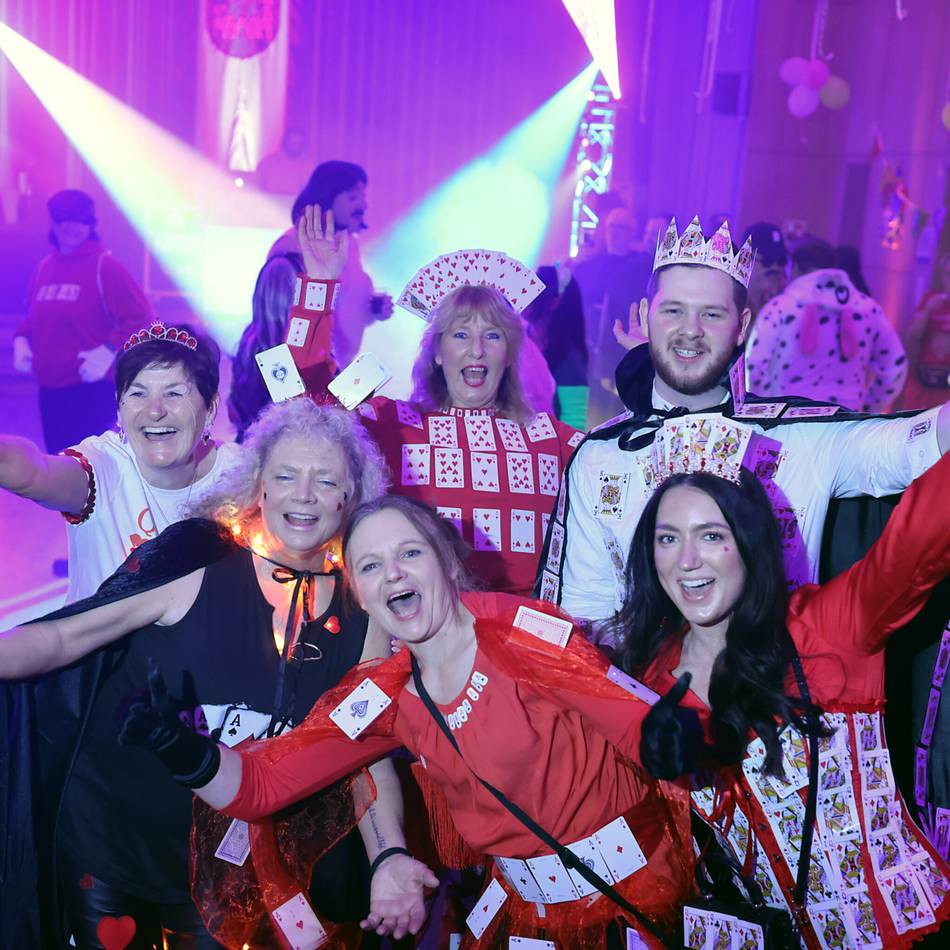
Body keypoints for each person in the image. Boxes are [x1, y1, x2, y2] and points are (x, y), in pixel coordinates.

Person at [121, 494, 694, 947]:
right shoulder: (384, 695)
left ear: (444, 561)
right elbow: (263, 784)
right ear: (362, 597)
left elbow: (628, 720)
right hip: (526, 919)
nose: (393, 574)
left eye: (409, 553)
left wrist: (663, 741)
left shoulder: (521, 629)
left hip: (633, 899)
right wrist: (184, 752)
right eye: (371, 566)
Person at [0, 399, 432, 948]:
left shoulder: (362, 615)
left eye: (326, 481)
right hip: (113, 838)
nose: (304, 494)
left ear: (352, 498)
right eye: (286, 476)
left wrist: (389, 854)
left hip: (221, 868)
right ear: (261, 487)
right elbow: (64, 635)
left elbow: (362, 756)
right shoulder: (196, 565)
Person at [617, 423, 950, 948]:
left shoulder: (828, 627)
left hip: (900, 933)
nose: (686, 561)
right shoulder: (645, 681)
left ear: (748, 545)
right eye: (667, 538)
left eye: (712, 535)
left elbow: (922, 533)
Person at [543, 215, 949, 638]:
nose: (690, 330)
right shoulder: (599, 456)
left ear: (743, 327)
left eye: (712, 315)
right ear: (647, 317)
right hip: (637, 697)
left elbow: (916, 446)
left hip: (770, 693)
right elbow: (583, 620)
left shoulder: (802, 439)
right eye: (674, 310)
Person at [293, 205, 583, 596]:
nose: (476, 350)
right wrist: (320, 284)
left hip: (524, 643)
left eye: (493, 336)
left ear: (511, 353)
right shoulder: (395, 425)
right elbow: (307, 394)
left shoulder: (554, 440)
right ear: (437, 352)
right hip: (416, 636)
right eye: (461, 335)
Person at [0, 322, 236, 603]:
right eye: (138, 393)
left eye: (174, 393)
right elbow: (33, 474)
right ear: (119, 409)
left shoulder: (238, 475)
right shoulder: (104, 466)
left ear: (210, 407)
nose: (155, 410)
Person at [12, 189, 154, 454]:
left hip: (89, 390)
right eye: (64, 219)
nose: (72, 227)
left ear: (91, 225)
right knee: (57, 463)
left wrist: (108, 350)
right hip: (50, 388)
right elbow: (34, 317)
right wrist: (21, 338)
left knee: (88, 470)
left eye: (80, 220)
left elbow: (142, 317)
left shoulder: (105, 266)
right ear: (53, 223)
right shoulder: (45, 267)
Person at [256, 160, 392, 374]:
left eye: (364, 196)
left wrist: (372, 311)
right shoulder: (290, 248)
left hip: (337, 371)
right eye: (353, 197)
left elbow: (341, 307)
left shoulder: (349, 243)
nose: (363, 205)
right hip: (301, 377)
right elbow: (278, 328)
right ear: (327, 200)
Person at [746, 237, 908, 411]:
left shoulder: (780, 308)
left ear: (795, 268)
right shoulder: (868, 309)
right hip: (846, 423)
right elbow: (895, 367)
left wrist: (766, 410)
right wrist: (869, 405)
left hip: (788, 424)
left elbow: (754, 367)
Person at [572, 206, 654, 426]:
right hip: (584, 344)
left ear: (632, 232)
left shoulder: (637, 267)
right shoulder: (589, 264)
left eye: (621, 227)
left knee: (610, 411)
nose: (614, 232)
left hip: (616, 346)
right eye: (611, 226)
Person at [523, 263, 589, 427]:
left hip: (547, 447)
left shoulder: (569, 358)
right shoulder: (521, 339)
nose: (523, 297)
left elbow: (574, 420)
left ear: (553, 303)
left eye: (532, 292)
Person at [900, 249, 950, 411]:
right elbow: (912, 336)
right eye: (947, 274)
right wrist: (927, 311)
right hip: (923, 379)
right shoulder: (930, 299)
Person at [740, 221, 789, 323]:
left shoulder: (786, 304)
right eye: (768, 261)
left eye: (781, 261)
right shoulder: (732, 302)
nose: (776, 267)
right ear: (746, 260)